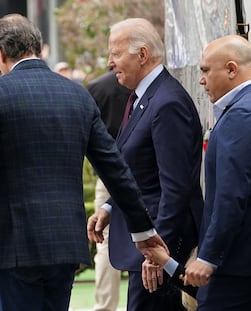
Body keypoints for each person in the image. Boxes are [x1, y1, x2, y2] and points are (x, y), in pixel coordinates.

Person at [0, 13, 166, 311]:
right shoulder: (77, 94)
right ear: (37, 47)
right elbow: (115, 169)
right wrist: (143, 231)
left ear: (1, 54)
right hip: (65, 244)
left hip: (12, 246)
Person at [88, 18, 204, 311]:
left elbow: (176, 188)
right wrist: (110, 207)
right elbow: (141, 171)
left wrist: (156, 253)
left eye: (115, 53)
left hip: (160, 248)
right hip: (146, 247)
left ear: (141, 55)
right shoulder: (144, 97)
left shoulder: (167, 103)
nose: (110, 62)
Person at [184, 35, 251, 310]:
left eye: (206, 70)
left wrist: (208, 257)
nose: (201, 80)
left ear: (232, 69)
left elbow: (230, 196)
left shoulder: (242, 115)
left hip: (243, 265)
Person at [87, 70, 130, 311]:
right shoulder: (150, 85)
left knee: (104, 241)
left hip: (109, 172)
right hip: (141, 170)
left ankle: (105, 306)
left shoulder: (97, 87)